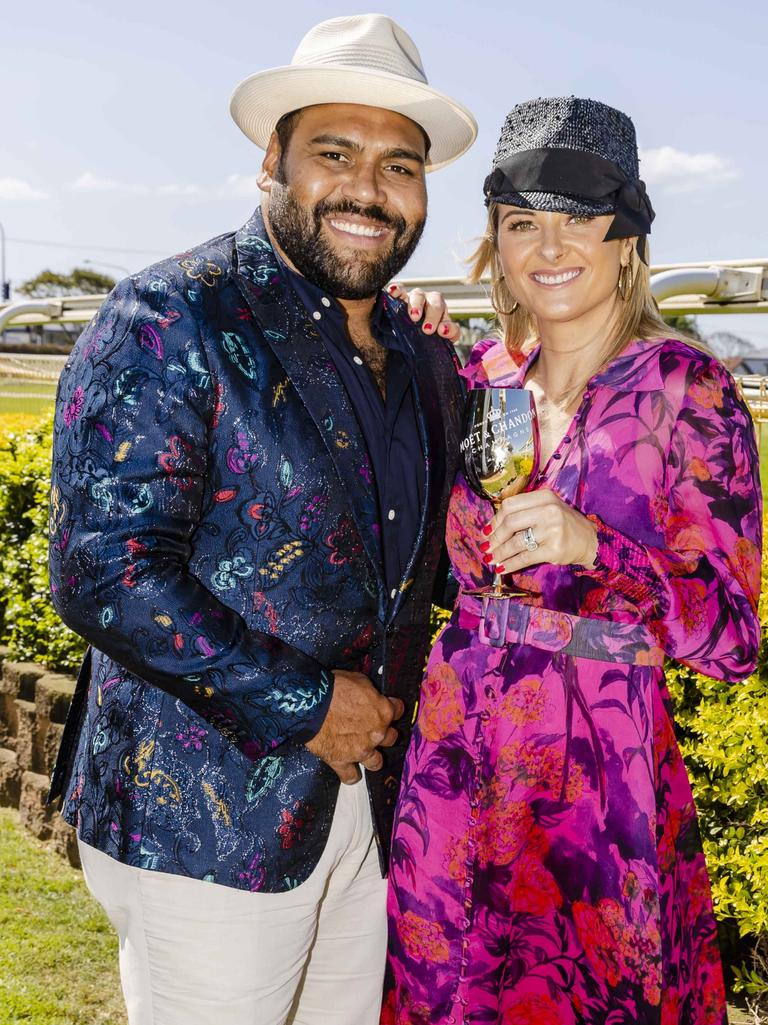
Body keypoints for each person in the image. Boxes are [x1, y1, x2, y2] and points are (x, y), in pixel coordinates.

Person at [47, 14, 477, 1025]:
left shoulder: (426, 358)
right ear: (270, 163)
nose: (370, 189)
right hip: (202, 818)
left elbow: (424, 565)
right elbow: (106, 571)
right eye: (336, 153)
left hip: (368, 816)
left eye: (401, 165)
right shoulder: (169, 314)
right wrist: (305, 703)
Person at [383, 97, 762, 1025]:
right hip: (455, 754)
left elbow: (738, 637)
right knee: (444, 994)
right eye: (522, 223)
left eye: (578, 218)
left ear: (627, 237)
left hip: (597, 772)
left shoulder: (686, 387)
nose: (549, 246)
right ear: (496, 245)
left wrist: (598, 549)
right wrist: (401, 341)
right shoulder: (479, 378)